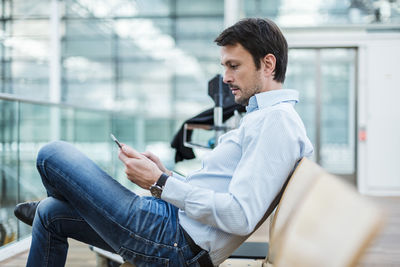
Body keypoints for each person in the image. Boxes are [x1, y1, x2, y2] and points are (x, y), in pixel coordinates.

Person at [14, 18, 313, 267]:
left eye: (234, 66)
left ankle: (68, 195)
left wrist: (160, 183)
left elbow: (240, 216)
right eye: (224, 66)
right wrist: (167, 176)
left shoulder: (276, 122)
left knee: (50, 155)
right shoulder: (265, 117)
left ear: (268, 64)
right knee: (50, 213)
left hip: (173, 242)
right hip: (171, 225)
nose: (225, 77)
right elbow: (223, 192)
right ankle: (65, 198)